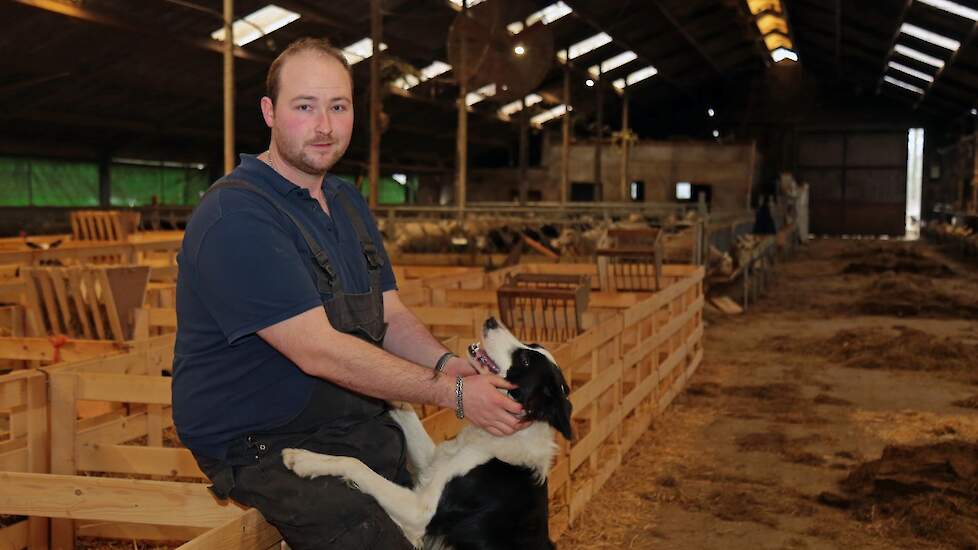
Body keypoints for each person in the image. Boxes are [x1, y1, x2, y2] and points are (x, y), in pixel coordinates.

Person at [171, 37, 527, 549]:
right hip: (265, 444)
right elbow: (317, 348)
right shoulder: (238, 216)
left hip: (350, 423)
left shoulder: (344, 200)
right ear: (269, 112)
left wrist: (448, 365)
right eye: (304, 107)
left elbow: (390, 313)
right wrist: (451, 394)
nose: (324, 126)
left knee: (457, 528)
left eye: (338, 107)